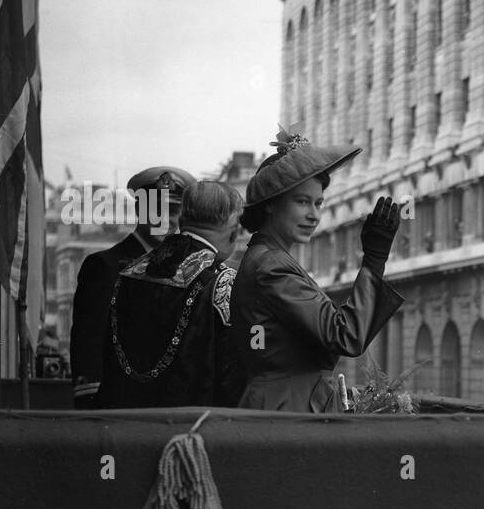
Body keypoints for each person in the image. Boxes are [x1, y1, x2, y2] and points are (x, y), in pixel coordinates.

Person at [232, 131, 404, 411]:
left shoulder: (267, 257)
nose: (314, 214)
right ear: (272, 204)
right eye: (302, 202)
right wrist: (374, 259)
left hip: (285, 405)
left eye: (318, 203)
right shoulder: (271, 264)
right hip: (288, 411)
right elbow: (346, 336)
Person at [96, 181, 246, 409]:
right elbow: (233, 376)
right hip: (192, 431)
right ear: (233, 231)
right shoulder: (224, 281)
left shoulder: (131, 271)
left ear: (183, 221)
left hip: (127, 424)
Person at [71, 167, 194, 407]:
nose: (165, 220)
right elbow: (89, 341)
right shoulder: (104, 266)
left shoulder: (186, 267)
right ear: (139, 209)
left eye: (174, 211)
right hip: (120, 401)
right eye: (156, 209)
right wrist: (90, 398)